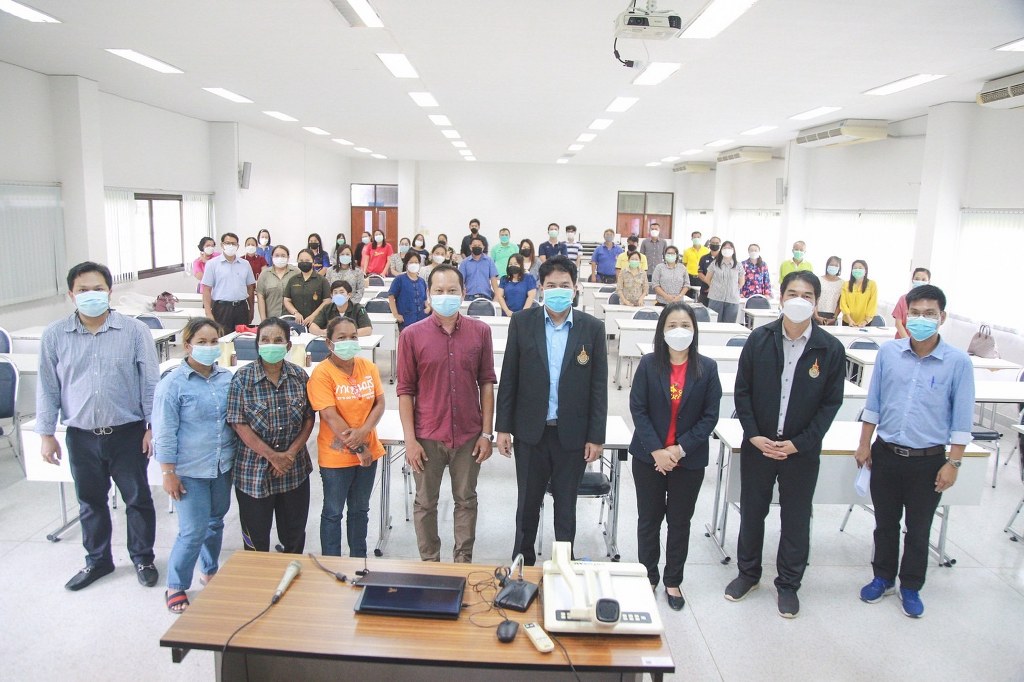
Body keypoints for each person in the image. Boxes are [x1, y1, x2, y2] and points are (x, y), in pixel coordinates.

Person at [725, 271, 846, 618]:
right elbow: (742, 392)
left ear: (816, 302)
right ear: (781, 297)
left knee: (796, 518)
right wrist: (753, 434)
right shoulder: (759, 339)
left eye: (807, 295)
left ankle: (789, 584)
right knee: (752, 512)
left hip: (800, 452)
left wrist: (800, 443)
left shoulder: (830, 348)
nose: (799, 300)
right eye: (793, 293)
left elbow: (830, 405)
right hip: (759, 445)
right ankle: (748, 574)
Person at [36, 261, 160, 591]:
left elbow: (150, 383)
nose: (91, 295)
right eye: (83, 290)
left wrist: (153, 426)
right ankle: (98, 560)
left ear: (109, 292)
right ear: (71, 295)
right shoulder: (55, 335)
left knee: (137, 499)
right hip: (81, 436)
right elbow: (48, 387)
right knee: (90, 502)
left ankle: (143, 558)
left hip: (128, 432)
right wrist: (46, 434)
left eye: (98, 289)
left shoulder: (134, 331)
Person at [854, 284, 974, 619]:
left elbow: (962, 418)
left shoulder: (958, 362)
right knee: (885, 523)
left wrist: (954, 463)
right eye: (916, 313)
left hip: (928, 460)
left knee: (919, 529)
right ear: (907, 315)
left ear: (942, 317)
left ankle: (910, 586)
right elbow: (874, 402)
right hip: (886, 454)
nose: (921, 319)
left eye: (929, 314)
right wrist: (864, 443)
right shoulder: (889, 353)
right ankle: (882, 578)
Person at [496, 256, 608, 565]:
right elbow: (509, 377)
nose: (558, 290)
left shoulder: (592, 328)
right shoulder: (522, 322)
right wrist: (503, 427)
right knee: (527, 505)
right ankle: (522, 564)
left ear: (575, 288)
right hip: (531, 432)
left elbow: (599, 388)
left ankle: (563, 565)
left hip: (572, 435)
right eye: (551, 285)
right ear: (542, 288)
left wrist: (596, 437)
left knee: (566, 506)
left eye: (564, 285)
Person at [397, 265, 497, 562]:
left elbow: (487, 383)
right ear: (429, 294)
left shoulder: (481, 332)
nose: (446, 296)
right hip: (427, 435)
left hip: (468, 435)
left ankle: (462, 561)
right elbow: (405, 391)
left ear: (463, 293)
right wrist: (410, 441)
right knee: (425, 503)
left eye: (452, 290)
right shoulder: (411, 335)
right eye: (439, 291)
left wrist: (486, 433)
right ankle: (430, 562)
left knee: (466, 500)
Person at [629, 303, 722, 610]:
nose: (679, 330)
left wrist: (679, 450)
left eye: (685, 325)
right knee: (649, 520)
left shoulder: (707, 368)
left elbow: (709, 417)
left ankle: (673, 580)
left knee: (680, 522)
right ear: (662, 330)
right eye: (672, 325)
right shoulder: (648, 364)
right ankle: (648, 575)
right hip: (649, 458)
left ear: (694, 330)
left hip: (688, 460)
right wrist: (657, 450)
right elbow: (638, 408)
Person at [153, 317, 235, 613]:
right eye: (202, 342)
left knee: (215, 522)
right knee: (192, 531)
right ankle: (176, 585)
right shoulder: (172, 384)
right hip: (190, 470)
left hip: (222, 466)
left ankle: (209, 571)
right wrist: (168, 472)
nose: (209, 347)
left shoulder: (226, 378)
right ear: (187, 346)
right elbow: (164, 432)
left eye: (214, 341)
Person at [227, 317, 315, 553]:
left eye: (278, 340)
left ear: (288, 345)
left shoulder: (299, 377)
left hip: (294, 471)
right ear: (257, 344)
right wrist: (273, 457)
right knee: (256, 543)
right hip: (253, 473)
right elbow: (238, 424)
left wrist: (289, 454)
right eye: (265, 340)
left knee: (294, 537)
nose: (271, 345)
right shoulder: (242, 379)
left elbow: (309, 418)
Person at [308, 316, 386, 557]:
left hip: (369, 452)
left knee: (360, 511)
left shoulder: (368, 367)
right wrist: (359, 447)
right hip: (336, 458)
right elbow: (330, 416)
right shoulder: (322, 373)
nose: (349, 342)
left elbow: (380, 403)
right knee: (333, 512)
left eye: (353, 337)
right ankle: (332, 562)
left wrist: (364, 433)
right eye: (341, 338)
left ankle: (359, 560)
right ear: (329, 343)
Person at [201, 232, 256, 332]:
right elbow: (206, 290)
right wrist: (208, 313)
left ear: (238, 246)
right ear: (222, 245)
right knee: (223, 337)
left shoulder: (245, 264)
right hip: (222, 308)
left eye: (234, 244)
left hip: (241, 308)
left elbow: (250, 288)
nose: (231, 246)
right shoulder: (212, 264)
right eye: (227, 243)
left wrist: (251, 309)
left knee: (242, 338)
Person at [283, 249, 331, 325]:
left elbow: (327, 301)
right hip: (296, 322)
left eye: (307, 260)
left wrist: (313, 316)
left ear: (313, 262)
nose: (304, 263)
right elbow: (287, 300)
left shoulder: (322, 280)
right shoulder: (292, 280)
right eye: (301, 260)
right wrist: (295, 313)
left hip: (316, 322)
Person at [308, 280, 373, 336]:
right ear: (331, 295)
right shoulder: (327, 308)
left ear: (349, 295)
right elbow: (312, 327)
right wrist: (322, 332)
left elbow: (368, 329)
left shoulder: (358, 308)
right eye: (335, 292)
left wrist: (345, 335)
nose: (338, 295)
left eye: (342, 292)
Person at [704, 240, 744, 324]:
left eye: (729, 248)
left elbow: (741, 282)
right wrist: (714, 287)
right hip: (716, 298)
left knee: (729, 325)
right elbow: (707, 278)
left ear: (733, 250)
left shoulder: (738, 265)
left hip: (732, 299)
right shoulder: (714, 264)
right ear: (721, 250)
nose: (727, 249)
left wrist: (734, 289)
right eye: (725, 248)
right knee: (714, 323)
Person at [388, 250, 429, 330]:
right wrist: (396, 314)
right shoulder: (399, 279)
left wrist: (428, 307)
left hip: (422, 320)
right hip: (406, 320)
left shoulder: (422, 281)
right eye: (411, 262)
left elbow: (425, 299)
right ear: (406, 264)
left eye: (416, 262)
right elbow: (391, 296)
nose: (414, 264)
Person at [256, 245, 298, 322]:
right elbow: (261, 297)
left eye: (283, 256)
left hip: (292, 318)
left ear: (288, 257)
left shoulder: (296, 272)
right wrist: (263, 319)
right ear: (272, 257)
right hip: (271, 319)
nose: (280, 258)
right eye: (277, 255)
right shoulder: (265, 274)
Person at [892, 268, 932, 339]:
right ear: (912, 280)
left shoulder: (931, 302)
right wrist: (907, 341)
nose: (920, 282)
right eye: (917, 279)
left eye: (923, 280)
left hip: (922, 341)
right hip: (902, 340)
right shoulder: (903, 299)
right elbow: (898, 324)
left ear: (928, 282)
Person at [839, 259, 878, 327]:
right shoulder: (846, 284)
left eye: (860, 268)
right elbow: (843, 303)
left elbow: (872, 304)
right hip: (848, 321)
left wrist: (865, 321)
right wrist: (849, 320)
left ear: (865, 270)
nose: (857, 270)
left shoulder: (872, 284)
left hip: (865, 322)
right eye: (855, 268)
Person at [459, 236, 498, 300]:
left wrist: (496, 296)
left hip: (486, 296)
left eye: (479, 245)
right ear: (470, 247)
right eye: (474, 245)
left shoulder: (489, 261)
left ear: (483, 247)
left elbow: (493, 279)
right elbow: (461, 280)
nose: (477, 247)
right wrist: (462, 296)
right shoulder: (464, 263)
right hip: (469, 296)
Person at [815, 256, 843, 326]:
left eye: (836, 265)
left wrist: (834, 317)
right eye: (831, 265)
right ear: (827, 265)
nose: (833, 267)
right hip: (817, 314)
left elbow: (840, 302)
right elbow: (814, 298)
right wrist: (816, 316)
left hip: (832, 316)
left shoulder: (842, 283)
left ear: (839, 268)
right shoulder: (818, 279)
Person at [696, 237, 720, 307]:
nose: (715, 244)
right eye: (713, 243)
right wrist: (710, 284)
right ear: (709, 244)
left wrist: (714, 286)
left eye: (717, 243)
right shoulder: (704, 258)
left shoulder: (723, 259)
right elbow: (700, 274)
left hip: (718, 292)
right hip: (705, 290)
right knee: (701, 310)